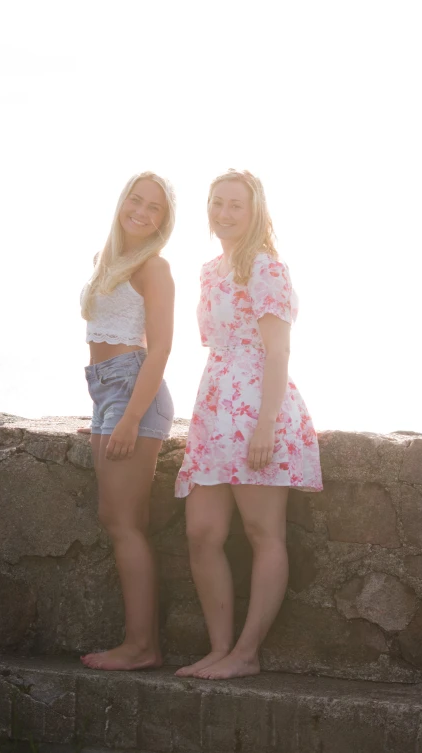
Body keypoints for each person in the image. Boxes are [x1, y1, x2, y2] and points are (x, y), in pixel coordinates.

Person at [175, 169, 323, 680]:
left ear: (254, 210)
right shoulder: (210, 270)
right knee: (202, 531)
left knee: (263, 532)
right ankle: (219, 649)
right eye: (217, 203)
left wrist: (266, 426)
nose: (224, 213)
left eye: (235, 204)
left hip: (258, 408)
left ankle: (246, 653)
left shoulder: (266, 268)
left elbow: (277, 351)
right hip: (215, 407)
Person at [79, 171, 176, 671]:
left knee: (124, 524)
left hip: (132, 392)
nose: (141, 211)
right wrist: (102, 413)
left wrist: (128, 418)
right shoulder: (107, 261)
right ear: (122, 202)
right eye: (135, 201)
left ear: (164, 220)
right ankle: (140, 642)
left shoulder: (154, 268)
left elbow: (159, 348)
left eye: (154, 207)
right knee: (117, 520)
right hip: (106, 391)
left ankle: (142, 646)